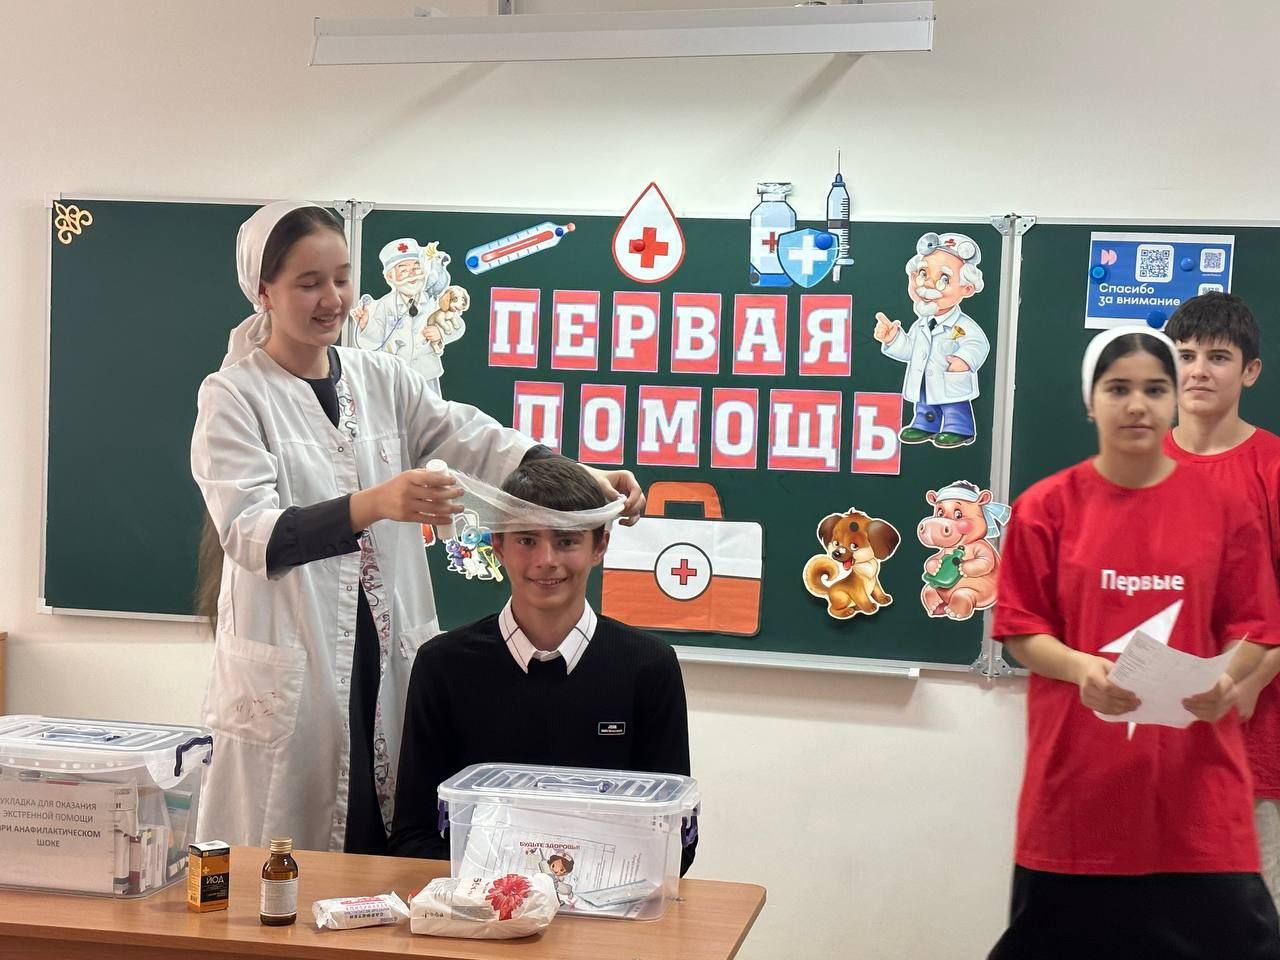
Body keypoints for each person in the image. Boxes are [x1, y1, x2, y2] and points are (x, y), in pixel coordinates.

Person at [190, 201, 642, 855]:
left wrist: (583, 476)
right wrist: (374, 503)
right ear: (263, 290)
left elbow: (475, 439)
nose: (332, 299)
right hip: (294, 658)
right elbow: (251, 532)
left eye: (341, 278)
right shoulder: (234, 395)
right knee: (286, 852)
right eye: (309, 283)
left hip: (388, 651)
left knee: (389, 840)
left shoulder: (381, 377)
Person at [988, 325, 1280, 959]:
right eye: (1118, 388)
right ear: (1089, 401)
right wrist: (1080, 669)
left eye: (1154, 389)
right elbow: (1021, 629)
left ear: (1174, 400)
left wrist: (1229, 679)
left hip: (1199, 801)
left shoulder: (1226, 510)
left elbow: (1256, 628)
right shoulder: (1045, 508)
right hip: (1077, 797)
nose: (1137, 405)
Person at [388, 456, 697, 875]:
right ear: (498, 545)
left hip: (607, 906)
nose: (546, 559)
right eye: (527, 540)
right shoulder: (442, 666)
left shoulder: (648, 666)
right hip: (480, 908)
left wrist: (580, 891)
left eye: (567, 541)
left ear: (599, 546)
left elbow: (675, 838)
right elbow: (413, 835)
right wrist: (504, 894)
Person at [1162, 292, 1280, 909]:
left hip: (1249, 737)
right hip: (1152, 736)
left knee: (1248, 914)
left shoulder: (1272, 467)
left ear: (1250, 371)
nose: (1199, 370)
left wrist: (1251, 680)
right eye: (1185, 355)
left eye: (1218, 357)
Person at [873, 232, 990, 448]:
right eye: (923, 273)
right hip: (925, 381)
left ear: (966, 289)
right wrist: (894, 339)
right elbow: (911, 351)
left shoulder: (962, 325)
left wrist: (964, 359)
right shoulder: (921, 324)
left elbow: (977, 343)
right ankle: (925, 425)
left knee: (954, 406)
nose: (928, 284)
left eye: (944, 279)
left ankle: (959, 429)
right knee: (925, 402)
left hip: (951, 380)